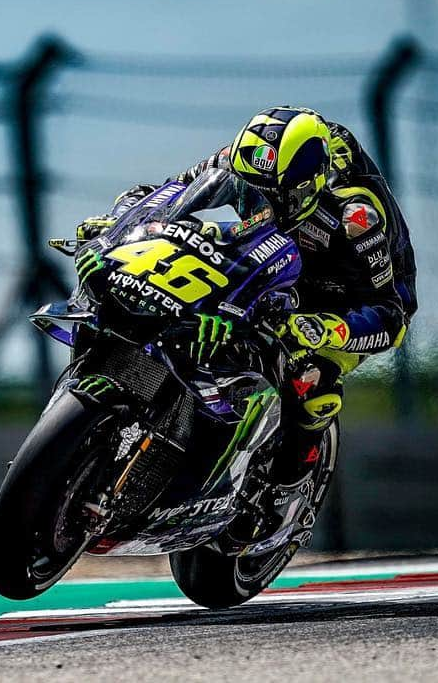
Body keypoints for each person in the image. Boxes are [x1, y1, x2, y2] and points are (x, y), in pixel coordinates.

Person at [78, 106, 418, 537]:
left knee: (310, 378)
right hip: (267, 262)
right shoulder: (236, 161)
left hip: (345, 295)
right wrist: (120, 224)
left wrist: (322, 329)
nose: (262, 207)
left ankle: (287, 488)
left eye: (275, 199)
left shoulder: (355, 217)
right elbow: (172, 194)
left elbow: (390, 316)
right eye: (251, 194)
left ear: (309, 186)